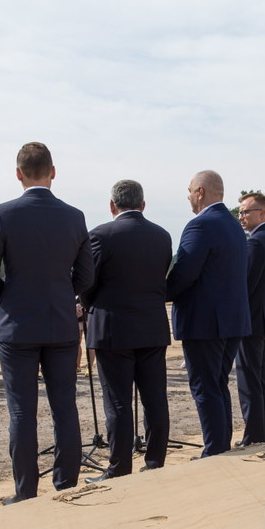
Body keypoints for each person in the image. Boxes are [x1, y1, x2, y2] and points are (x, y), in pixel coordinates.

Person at [0, 141, 93, 504]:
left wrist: (10, 298)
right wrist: (62, 296)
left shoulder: (2, 213)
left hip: (18, 327)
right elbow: (86, 276)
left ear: (18, 174)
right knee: (65, 406)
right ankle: (66, 483)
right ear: (53, 172)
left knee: (21, 410)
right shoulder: (74, 217)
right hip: (60, 324)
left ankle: (26, 490)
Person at [81, 180, 173, 481]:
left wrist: (91, 306)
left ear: (112, 205)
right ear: (143, 205)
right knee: (155, 398)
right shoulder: (162, 236)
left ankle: (120, 466)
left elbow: (87, 283)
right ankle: (156, 459)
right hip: (151, 326)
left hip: (113, 328)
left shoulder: (101, 235)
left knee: (119, 402)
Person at [165, 170, 251, 457]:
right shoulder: (234, 226)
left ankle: (214, 451)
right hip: (233, 321)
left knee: (205, 387)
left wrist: (160, 293)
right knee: (217, 385)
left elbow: (184, 273)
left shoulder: (200, 226)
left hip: (205, 323)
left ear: (200, 192)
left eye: (190, 190)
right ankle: (220, 446)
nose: (188, 196)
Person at [233, 191, 265, 448]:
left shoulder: (256, 242)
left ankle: (254, 437)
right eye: (240, 212)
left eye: (246, 211)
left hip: (252, 321)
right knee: (260, 380)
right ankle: (260, 434)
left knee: (250, 382)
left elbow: (246, 285)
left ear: (262, 213)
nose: (241, 216)